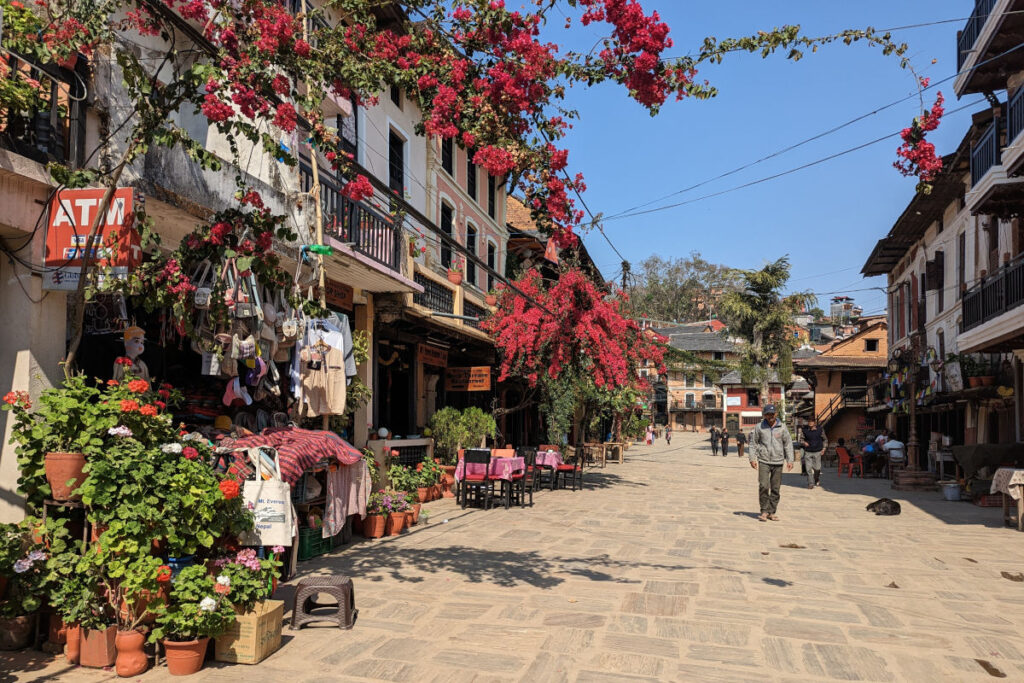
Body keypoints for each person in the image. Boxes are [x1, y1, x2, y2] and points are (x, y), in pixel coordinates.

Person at [749, 404, 794, 522]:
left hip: (778, 461)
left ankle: (771, 512)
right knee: (763, 485)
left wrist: (790, 460)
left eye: (772, 414)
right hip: (763, 460)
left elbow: (788, 444)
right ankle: (764, 511)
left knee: (775, 488)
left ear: (776, 414)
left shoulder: (782, 427)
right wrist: (752, 458)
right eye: (768, 414)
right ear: (764, 415)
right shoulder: (759, 427)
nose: (770, 416)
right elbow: (753, 443)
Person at [798, 418, 828, 489]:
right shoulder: (804, 430)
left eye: (811, 421)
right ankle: (810, 483)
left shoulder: (820, 430)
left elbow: (825, 439)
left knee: (817, 468)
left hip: (817, 451)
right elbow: (801, 439)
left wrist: (824, 448)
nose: (810, 423)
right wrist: (804, 442)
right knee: (808, 468)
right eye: (809, 421)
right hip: (808, 452)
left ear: (814, 423)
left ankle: (816, 478)